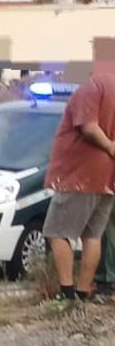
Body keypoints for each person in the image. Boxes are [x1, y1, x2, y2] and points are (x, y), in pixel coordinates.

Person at [42, 73, 115, 300]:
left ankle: (67, 292)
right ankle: (84, 291)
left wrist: (109, 146)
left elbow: (89, 127)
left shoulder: (92, 86)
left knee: (56, 232)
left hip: (80, 173)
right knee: (92, 235)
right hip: (107, 176)